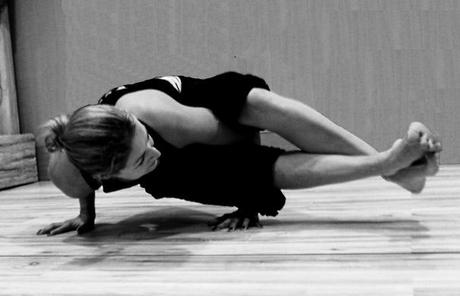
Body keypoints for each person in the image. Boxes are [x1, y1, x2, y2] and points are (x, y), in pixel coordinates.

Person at [36, 72, 442, 235]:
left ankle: (391, 168)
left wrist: (248, 199)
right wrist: (86, 216)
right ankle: (389, 165)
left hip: (200, 107)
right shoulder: (70, 166)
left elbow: (244, 140)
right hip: (160, 162)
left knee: (264, 107)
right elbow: (83, 175)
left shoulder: (158, 118)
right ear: (109, 176)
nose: (153, 152)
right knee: (250, 174)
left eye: (147, 141)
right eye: (142, 159)